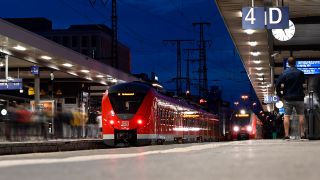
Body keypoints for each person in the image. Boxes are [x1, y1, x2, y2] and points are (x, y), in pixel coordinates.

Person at [276, 56, 305, 139]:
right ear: (295, 63)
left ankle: (286, 135)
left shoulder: (285, 73)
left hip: (288, 98)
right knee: (301, 115)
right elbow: (303, 82)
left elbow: (278, 84)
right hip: (299, 97)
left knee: (286, 116)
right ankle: (302, 134)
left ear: (288, 63)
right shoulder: (300, 73)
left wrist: (280, 95)